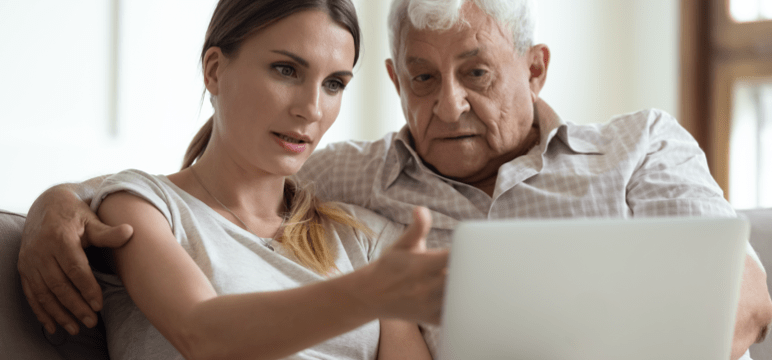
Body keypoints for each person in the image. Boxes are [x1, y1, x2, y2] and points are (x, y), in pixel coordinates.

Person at [17, 0, 772, 359]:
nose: (447, 104)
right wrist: (58, 202)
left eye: (476, 73)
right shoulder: (356, 188)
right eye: (421, 78)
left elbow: (739, 305)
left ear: (534, 68)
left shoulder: (641, 146)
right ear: (394, 80)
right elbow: (197, 189)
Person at [20, 0, 449, 359]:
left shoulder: (365, 239)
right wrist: (367, 294)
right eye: (286, 70)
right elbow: (202, 334)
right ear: (214, 70)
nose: (312, 109)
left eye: (334, 83)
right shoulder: (144, 207)